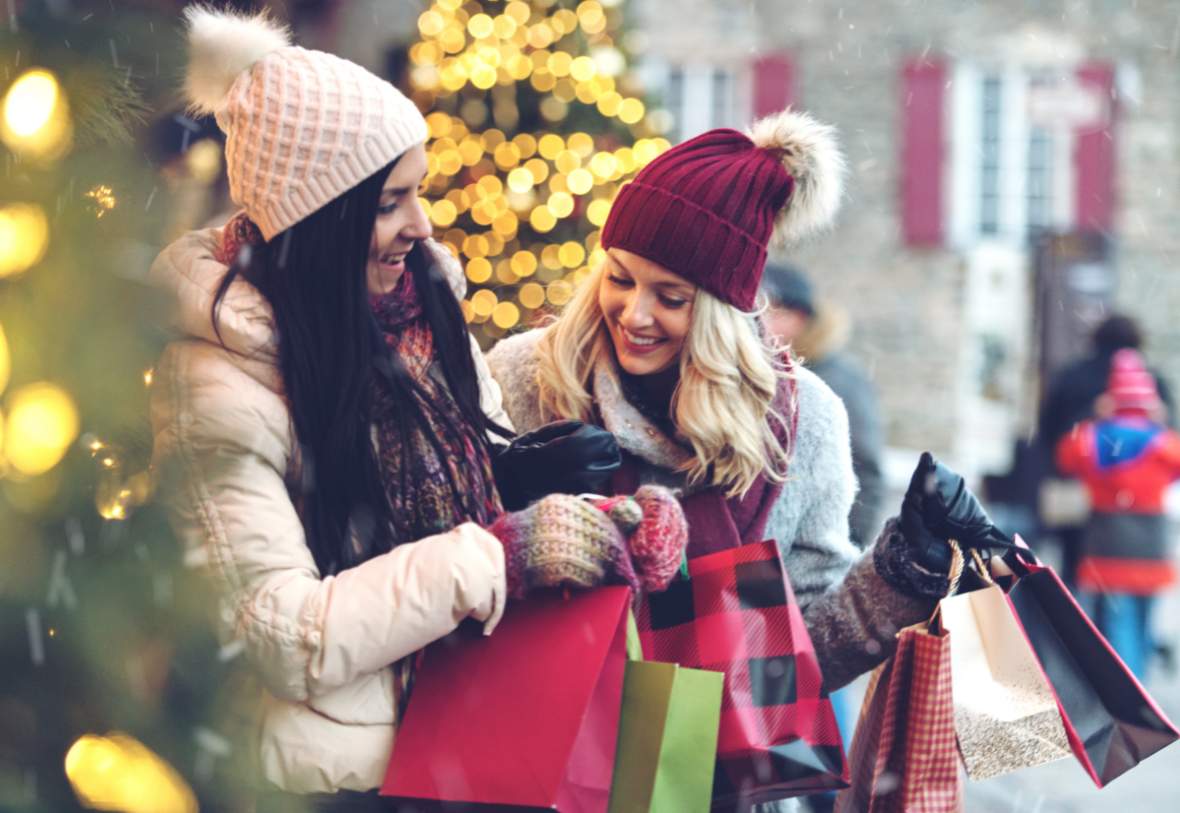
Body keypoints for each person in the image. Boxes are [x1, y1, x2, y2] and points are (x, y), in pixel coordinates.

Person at [150, 9, 627, 809]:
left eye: (420, 192)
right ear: (320, 221)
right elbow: (282, 635)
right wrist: (498, 553)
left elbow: (443, 517)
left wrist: (542, 491)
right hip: (332, 786)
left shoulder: (421, 311)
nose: (422, 224)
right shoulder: (215, 386)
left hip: (467, 744)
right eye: (390, 202)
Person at [487, 111, 1011, 704]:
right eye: (620, 278)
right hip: (533, 745)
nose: (633, 314)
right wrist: (506, 508)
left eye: (671, 297)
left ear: (719, 311)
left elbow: (806, 647)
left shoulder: (801, 419)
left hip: (709, 768)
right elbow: (443, 564)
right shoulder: (528, 375)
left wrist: (905, 569)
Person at [1055, 349, 1180, 679]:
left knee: (1114, 627)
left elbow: (1065, 457)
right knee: (1142, 626)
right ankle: (1143, 700)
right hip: (1149, 546)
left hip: (1106, 543)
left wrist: (1095, 417)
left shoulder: (1090, 438)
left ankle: (1123, 694)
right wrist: (1162, 422)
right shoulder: (1165, 443)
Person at [1038, 314, 1175, 586]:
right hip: (1136, 504)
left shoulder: (1073, 376)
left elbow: (1048, 429)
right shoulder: (1151, 381)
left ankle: (1072, 621)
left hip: (1075, 489)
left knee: (1075, 565)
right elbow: (1170, 432)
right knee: (1124, 583)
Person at [762, 263, 885, 548]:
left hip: (811, 550)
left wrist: (846, 546)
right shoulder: (765, 370)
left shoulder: (837, 380)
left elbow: (866, 471)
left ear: (799, 318)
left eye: (773, 309)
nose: (761, 319)